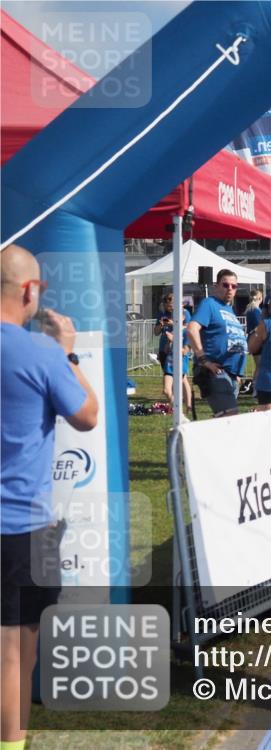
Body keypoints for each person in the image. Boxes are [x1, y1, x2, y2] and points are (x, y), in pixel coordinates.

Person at [1, 245, 99, 750]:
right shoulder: (40, 352)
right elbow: (87, 414)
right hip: (22, 528)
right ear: (28, 290)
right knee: (16, 652)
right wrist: (67, 350)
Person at [188, 269, 248, 418]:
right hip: (215, 371)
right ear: (216, 286)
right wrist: (203, 360)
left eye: (233, 286)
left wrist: (237, 374)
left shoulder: (229, 309)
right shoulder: (210, 303)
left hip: (231, 375)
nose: (230, 289)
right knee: (230, 417)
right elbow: (192, 329)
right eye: (225, 285)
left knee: (223, 420)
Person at [153, 293, 192, 416]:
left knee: (182, 378)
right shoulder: (162, 314)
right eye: (167, 305)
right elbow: (156, 332)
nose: (169, 307)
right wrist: (161, 324)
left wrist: (172, 324)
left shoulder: (184, 313)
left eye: (171, 304)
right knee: (169, 376)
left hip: (180, 349)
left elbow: (187, 328)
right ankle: (177, 405)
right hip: (165, 350)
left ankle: (187, 405)